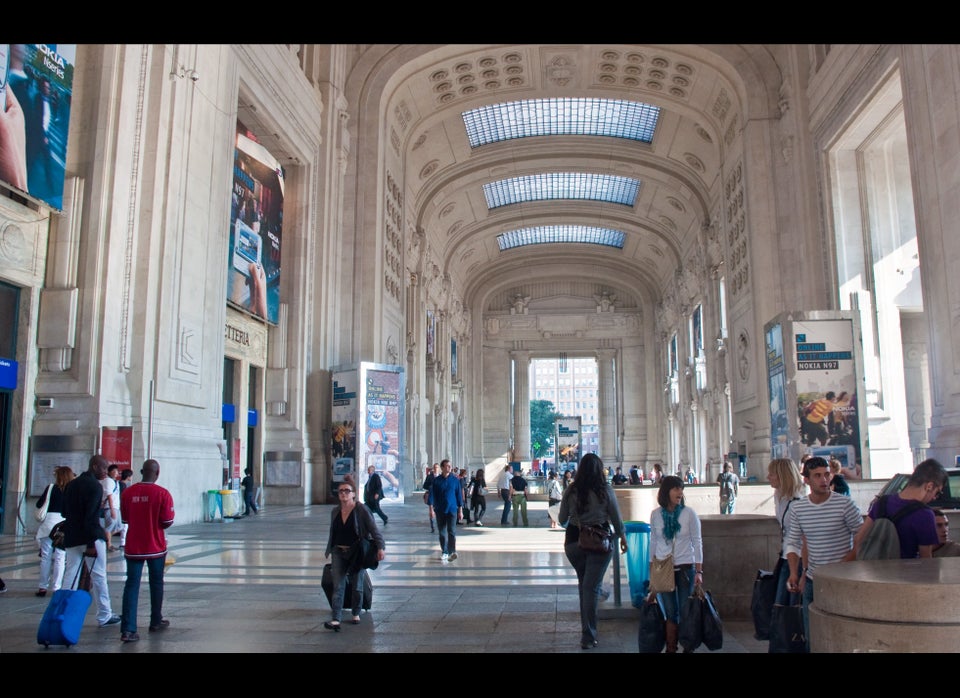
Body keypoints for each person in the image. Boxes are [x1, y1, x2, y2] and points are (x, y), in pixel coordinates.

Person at [784, 456, 865, 652]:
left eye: (827, 474)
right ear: (807, 480)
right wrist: (795, 573)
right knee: (813, 635)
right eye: (817, 476)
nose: (824, 480)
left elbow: (862, 536)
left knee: (841, 632)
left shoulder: (844, 505)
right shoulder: (798, 508)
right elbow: (793, 542)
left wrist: (846, 562)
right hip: (813, 579)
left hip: (841, 578)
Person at [558, 453, 627, 650]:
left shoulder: (571, 490)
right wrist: (622, 537)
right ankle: (588, 635)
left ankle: (587, 631)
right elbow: (616, 518)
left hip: (574, 542)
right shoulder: (605, 489)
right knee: (591, 587)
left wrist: (577, 521)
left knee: (585, 585)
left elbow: (562, 518)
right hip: (599, 542)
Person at [119, 458, 176, 642]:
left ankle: (128, 629)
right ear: (157, 473)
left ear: (141, 472)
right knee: (156, 582)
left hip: (134, 546)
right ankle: (155, 620)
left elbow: (125, 519)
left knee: (131, 585)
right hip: (155, 546)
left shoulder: (128, 493)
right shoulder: (162, 494)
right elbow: (167, 522)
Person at [61, 454, 121, 627]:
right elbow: (91, 518)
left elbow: (65, 512)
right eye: (103, 468)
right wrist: (90, 543)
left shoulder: (71, 485)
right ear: (94, 467)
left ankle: (63, 611)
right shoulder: (95, 486)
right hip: (90, 538)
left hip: (72, 537)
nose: (105, 472)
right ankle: (104, 614)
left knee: (70, 574)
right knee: (99, 575)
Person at [648, 474, 703, 653]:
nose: (680, 492)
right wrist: (651, 567)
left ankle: (688, 646)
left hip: (686, 567)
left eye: (681, 489)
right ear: (666, 491)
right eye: (676, 488)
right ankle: (671, 647)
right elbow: (654, 541)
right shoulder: (655, 515)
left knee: (686, 610)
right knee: (671, 611)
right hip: (664, 568)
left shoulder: (689, 514)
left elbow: (697, 541)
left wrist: (699, 571)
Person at [853, 457, 945, 559]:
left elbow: (859, 539)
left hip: (875, 571)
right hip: (905, 573)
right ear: (929, 486)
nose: (934, 498)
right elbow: (926, 558)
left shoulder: (882, 502)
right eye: (938, 493)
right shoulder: (924, 514)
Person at [323, 481, 385, 630]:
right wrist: (329, 549)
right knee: (338, 585)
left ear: (353, 493)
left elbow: (373, 528)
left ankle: (356, 612)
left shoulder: (361, 509)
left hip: (357, 552)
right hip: (338, 551)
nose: (343, 493)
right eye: (340, 491)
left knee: (357, 585)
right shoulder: (335, 511)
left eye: (346, 490)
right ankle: (336, 618)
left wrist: (380, 547)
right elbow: (333, 532)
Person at [765, 458, 805, 606]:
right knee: (781, 602)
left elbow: (802, 538)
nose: (768, 477)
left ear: (782, 476)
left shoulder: (797, 503)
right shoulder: (780, 498)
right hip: (786, 557)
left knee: (787, 603)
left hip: (796, 559)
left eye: (772, 474)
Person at [34, 465, 75, 597]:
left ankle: (42, 587)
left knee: (45, 557)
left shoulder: (50, 487)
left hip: (48, 524)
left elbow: (39, 504)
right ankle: (57, 588)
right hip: (63, 524)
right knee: (60, 557)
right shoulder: (72, 489)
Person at [431, 459, 463, 562]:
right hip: (440, 509)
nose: (449, 467)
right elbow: (432, 496)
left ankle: (452, 551)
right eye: (447, 466)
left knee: (452, 531)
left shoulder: (455, 480)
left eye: (450, 466)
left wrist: (460, 510)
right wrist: (431, 509)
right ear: (442, 467)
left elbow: (459, 496)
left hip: (452, 509)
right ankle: (444, 552)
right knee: (442, 532)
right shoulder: (436, 481)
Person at [101, 464, 123, 551]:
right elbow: (109, 495)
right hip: (111, 507)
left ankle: (105, 537)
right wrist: (112, 509)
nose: (116, 473)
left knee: (119, 526)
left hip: (116, 507)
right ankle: (108, 544)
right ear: (109, 472)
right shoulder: (108, 481)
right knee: (110, 526)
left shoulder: (116, 482)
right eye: (113, 471)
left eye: (116, 471)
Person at [422, 463, 439, 532]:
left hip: (439, 496)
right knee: (431, 511)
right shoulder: (429, 476)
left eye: (437, 467)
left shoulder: (441, 477)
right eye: (435, 467)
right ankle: (433, 527)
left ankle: (439, 524)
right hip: (431, 495)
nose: (436, 469)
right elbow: (424, 486)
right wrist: (430, 487)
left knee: (438, 511)